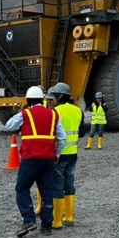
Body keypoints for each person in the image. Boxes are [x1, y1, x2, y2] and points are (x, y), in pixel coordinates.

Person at [4, 85, 66, 237]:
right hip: (48, 160)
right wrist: (56, 154)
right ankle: (46, 225)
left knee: (22, 188)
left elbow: (8, 125)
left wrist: (22, 112)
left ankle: (29, 220)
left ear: (28, 100)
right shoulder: (53, 115)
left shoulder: (25, 114)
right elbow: (62, 139)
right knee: (47, 192)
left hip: (30, 159)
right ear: (42, 99)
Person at [47, 82, 87, 229]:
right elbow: (82, 133)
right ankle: (69, 217)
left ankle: (57, 221)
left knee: (58, 186)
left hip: (59, 154)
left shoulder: (55, 112)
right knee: (69, 185)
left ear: (59, 96)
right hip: (73, 154)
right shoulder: (78, 111)